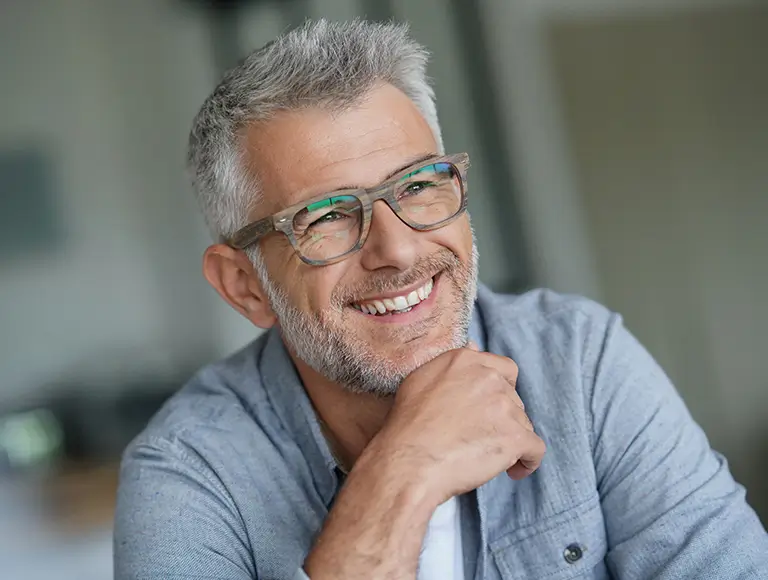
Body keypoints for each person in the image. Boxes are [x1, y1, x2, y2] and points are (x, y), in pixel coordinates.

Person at [113, 19, 768, 580]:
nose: (397, 250)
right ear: (245, 286)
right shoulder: (186, 473)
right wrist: (403, 471)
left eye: (419, 184)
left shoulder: (578, 358)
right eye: (327, 217)